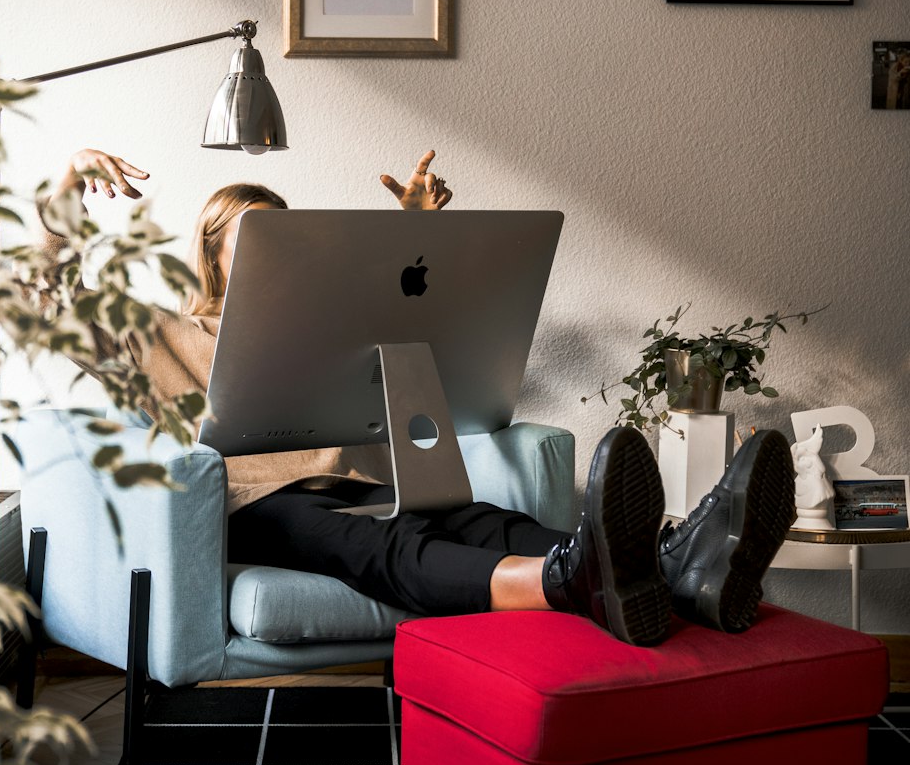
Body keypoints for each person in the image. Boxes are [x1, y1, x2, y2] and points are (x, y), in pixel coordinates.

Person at [41, 147, 797, 647]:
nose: (279, 252)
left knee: (484, 519)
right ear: (213, 251)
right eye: (254, 237)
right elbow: (46, 297)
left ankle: (678, 567)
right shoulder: (158, 330)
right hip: (253, 507)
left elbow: (412, 310)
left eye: (287, 237)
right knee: (387, 548)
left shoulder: (330, 319)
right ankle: (571, 582)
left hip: (361, 487)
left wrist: (414, 235)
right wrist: (70, 181)